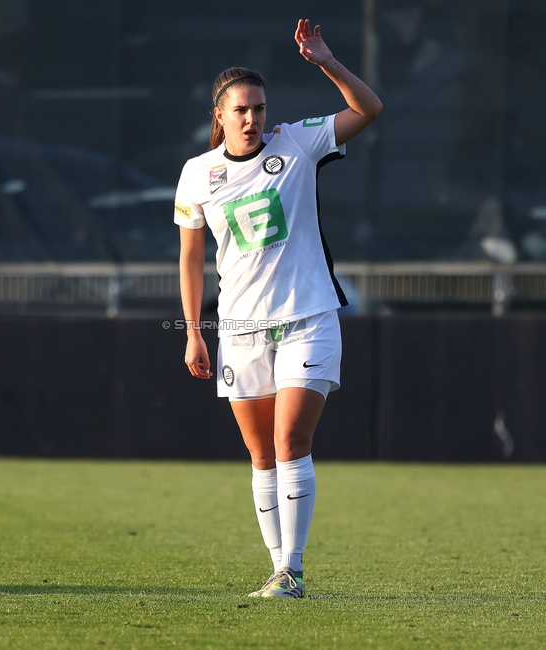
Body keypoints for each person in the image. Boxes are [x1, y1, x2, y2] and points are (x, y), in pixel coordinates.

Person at [174, 19, 382, 599]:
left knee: (292, 441)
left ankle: (291, 571)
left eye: (259, 108)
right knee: (261, 454)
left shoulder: (298, 141)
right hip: (239, 329)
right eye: (241, 109)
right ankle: (276, 568)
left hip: (308, 319)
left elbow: (369, 109)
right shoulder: (197, 175)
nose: (253, 118)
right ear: (221, 115)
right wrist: (195, 333)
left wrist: (327, 62)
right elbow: (191, 261)